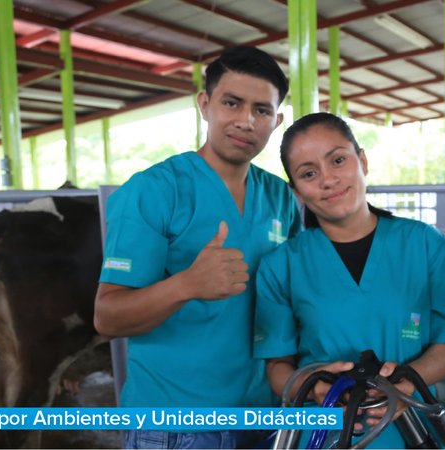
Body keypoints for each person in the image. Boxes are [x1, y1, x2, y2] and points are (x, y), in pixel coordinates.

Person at [94, 46, 301, 449]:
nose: (246, 120)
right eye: (232, 103)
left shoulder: (281, 197)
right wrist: (186, 284)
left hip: (266, 415)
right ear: (205, 104)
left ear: (276, 121)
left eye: (261, 110)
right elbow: (108, 317)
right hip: (177, 423)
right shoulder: (155, 190)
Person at [253, 112, 445, 448]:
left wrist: (404, 389)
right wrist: (315, 387)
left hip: (411, 429)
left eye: (338, 160)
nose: (328, 179)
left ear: (362, 160)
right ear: (297, 191)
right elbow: (278, 365)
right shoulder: (280, 265)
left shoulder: (423, 243)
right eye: (309, 173)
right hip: (321, 431)